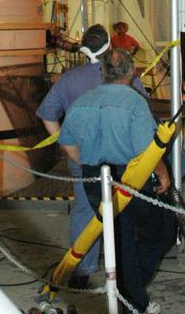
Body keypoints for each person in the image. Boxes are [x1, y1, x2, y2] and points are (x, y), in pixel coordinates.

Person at [59, 48, 174, 314]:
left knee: (118, 238)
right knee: (161, 230)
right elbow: (148, 147)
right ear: (132, 71)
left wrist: (86, 164)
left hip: (94, 177)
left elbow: (66, 143)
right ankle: (133, 298)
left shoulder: (83, 101)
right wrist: (164, 175)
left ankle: (127, 291)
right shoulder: (134, 103)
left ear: (103, 72)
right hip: (129, 178)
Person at [37, 25, 148, 289]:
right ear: (110, 46)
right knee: (124, 212)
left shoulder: (68, 80)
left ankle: (81, 270)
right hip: (121, 157)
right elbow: (142, 114)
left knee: (85, 210)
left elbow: (46, 114)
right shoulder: (123, 77)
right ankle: (125, 273)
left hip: (84, 159)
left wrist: (69, 148)